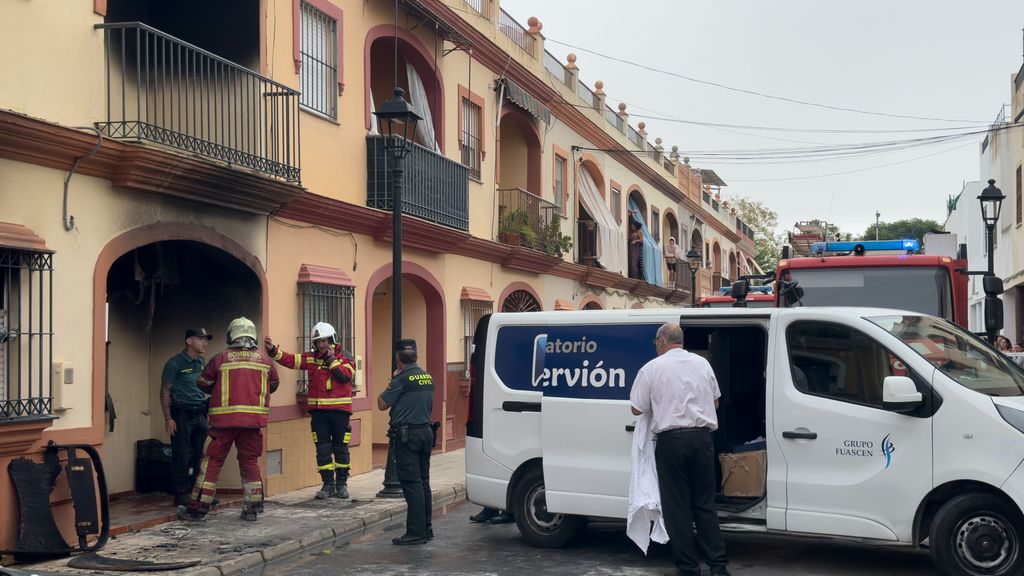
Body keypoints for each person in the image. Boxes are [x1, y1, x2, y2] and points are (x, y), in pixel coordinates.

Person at [630, 324, 730, 576]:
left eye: (656, 341)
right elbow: (715, 402)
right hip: (701, 439)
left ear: (662, 341)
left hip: (671, 442)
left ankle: (688, 568)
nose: (655, 345)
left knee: (677, 508)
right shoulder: (702, 364)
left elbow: (636, 409)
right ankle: (718, 566)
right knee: (705, 505)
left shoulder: (651, 368)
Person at [179, 317, 279, 522]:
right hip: (253, 424)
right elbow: (274, 384)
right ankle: (252, 507)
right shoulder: (265, 360)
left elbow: (203, 382)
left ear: (231, 335)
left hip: (222, 425)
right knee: (250, 462)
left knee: (211, 463)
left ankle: (197, 509)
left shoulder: (220, 359)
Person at [265, 322, 356, 500]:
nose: (321, 344)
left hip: (339, 412)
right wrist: (273, 352)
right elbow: (291, 360)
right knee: (322, 449)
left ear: (332, 339)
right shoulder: (311, 358)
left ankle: (342, 485)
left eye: (325, 340)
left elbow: (345, 376)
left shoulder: (345, 357)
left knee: (341, 449)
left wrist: (331, 360)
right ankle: (327, 484)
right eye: (318, 341)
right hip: (318, 413)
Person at [378, 338, 435, 545]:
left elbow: (382, 404)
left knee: (411, 484)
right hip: (425, 433)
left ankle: (415, 532)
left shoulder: (401, 379)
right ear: (415, 356)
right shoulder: (427, 377)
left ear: (398, 359)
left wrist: (392, 381)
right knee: (424, 482)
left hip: (407, 436)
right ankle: (426, 527)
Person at [160, 327, 213, 507]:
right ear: (190, 341)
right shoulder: (174, 363)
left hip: (200, 412)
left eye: (206, 339)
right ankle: (181, 494)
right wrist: (168, 418)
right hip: (182, 414)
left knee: (200, 455)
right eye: (201, 339)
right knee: (182, 455)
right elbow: (165, 391)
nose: (204, 342)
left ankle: (196, 493)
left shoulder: (201, 361)